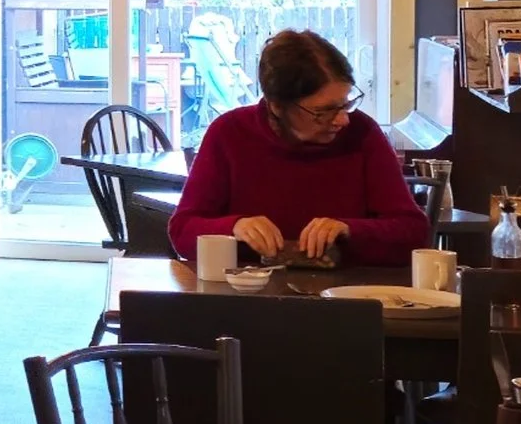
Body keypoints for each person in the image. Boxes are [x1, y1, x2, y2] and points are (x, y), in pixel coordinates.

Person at [167, 28, 429, 266]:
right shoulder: (230, 134)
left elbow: (414, 232)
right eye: (323, 111)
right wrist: (234, 227)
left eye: (346, 103)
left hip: (346, 300)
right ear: (277, 106)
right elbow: (183, 230)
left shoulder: (363, 134)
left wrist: (349, 230)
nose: (342, 119)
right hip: (248, 301)